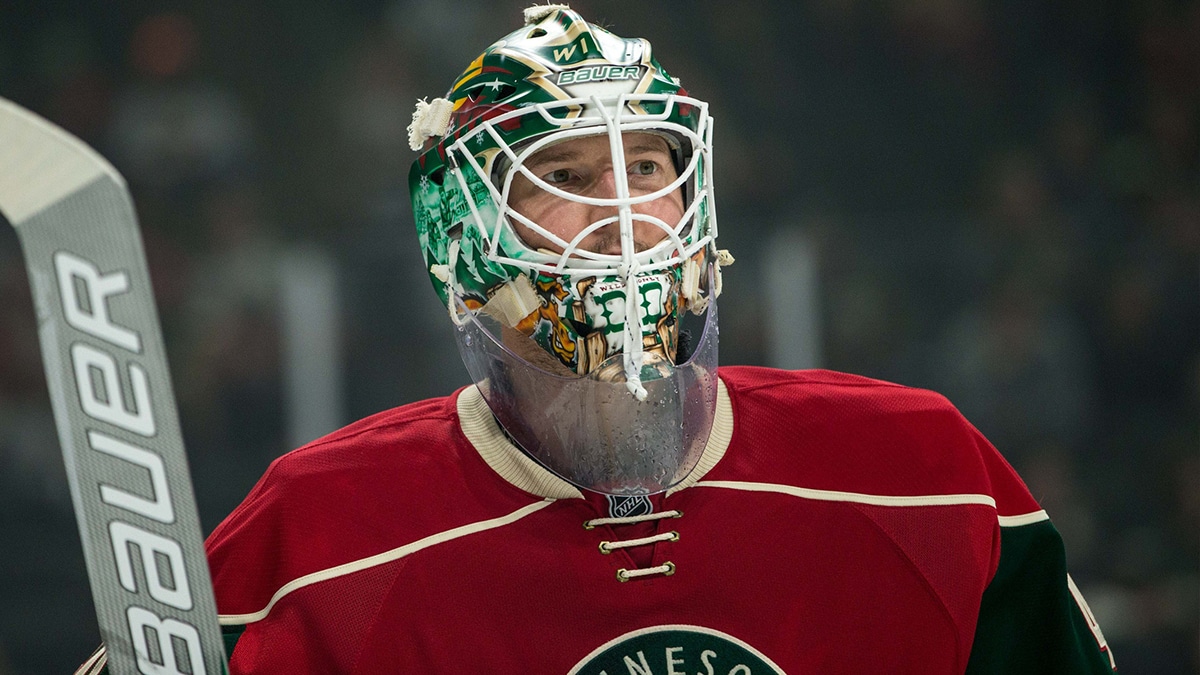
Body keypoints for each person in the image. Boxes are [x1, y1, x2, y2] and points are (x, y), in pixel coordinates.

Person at [80, 5, 1116, 673]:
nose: (622, 214)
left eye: (649, 172)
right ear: (465, 238)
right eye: (567, 181)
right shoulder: (314, 536)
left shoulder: (924, 471)